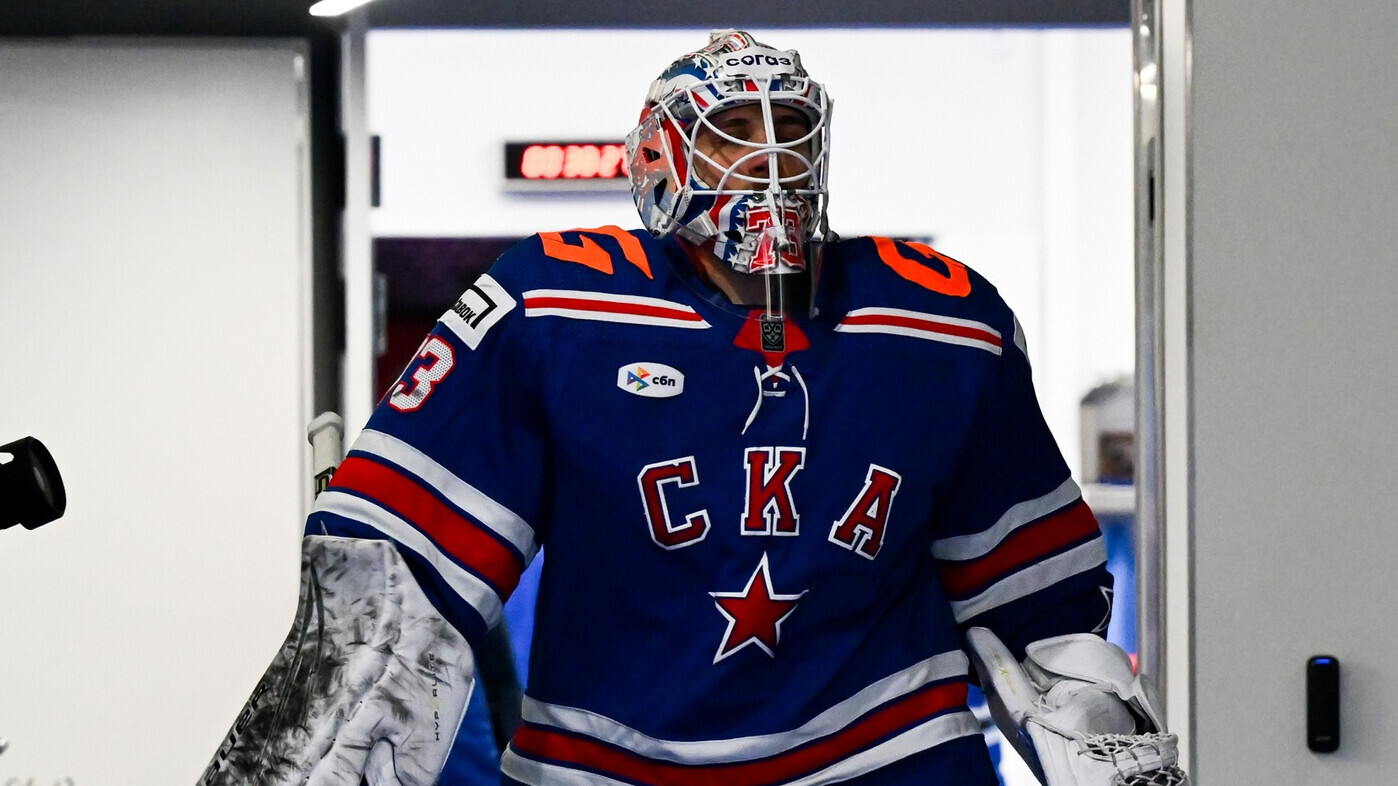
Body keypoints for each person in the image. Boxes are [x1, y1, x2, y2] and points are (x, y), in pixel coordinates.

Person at [201, 29, 1182, 786]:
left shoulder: (942, 321)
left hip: (883, 759)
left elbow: (1039, 624)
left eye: (789, 129)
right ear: (661, 158)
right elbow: (390, 594)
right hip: (610, 762)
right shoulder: (553, 305)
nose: (769, 160)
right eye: (732, 133)